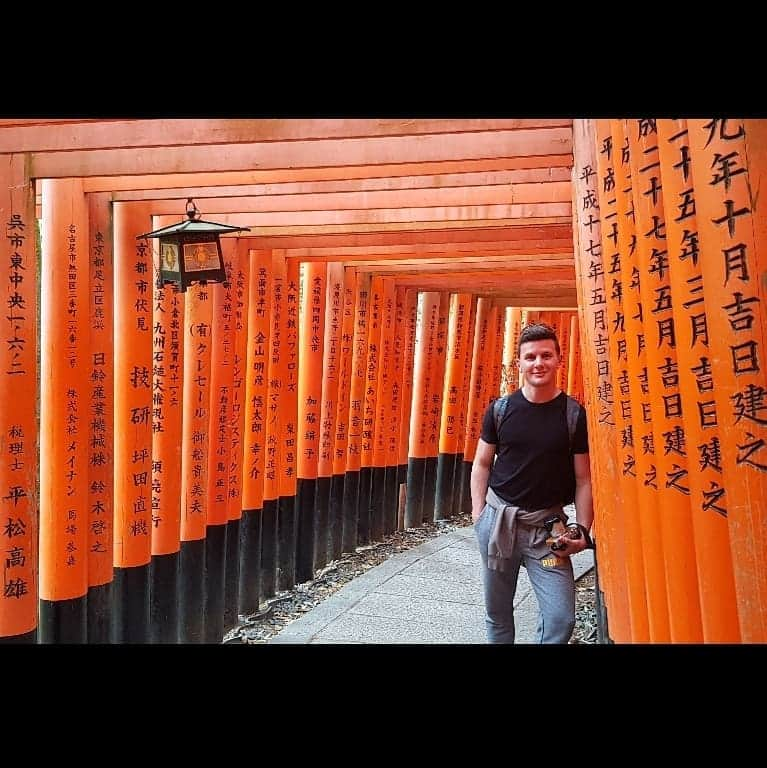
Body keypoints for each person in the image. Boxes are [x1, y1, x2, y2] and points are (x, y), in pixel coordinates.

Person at [470, 322, 593, 644]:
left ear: (558, 360)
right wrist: (479, 515)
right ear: (519, 363)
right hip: (499, 524)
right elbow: (482, 463)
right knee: (497, 612)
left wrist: (582, 529)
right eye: (530, 357)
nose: (538, 363)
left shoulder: (573, 415)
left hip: (547, 531)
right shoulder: (500, 410)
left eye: (545, 355)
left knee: (560, 617)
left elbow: (583, 479)